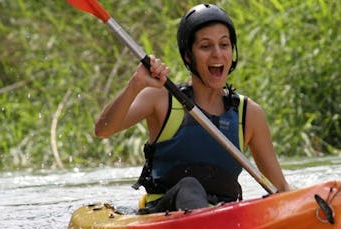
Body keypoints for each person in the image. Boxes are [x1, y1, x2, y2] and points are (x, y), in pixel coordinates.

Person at [94, 3, 290, 213]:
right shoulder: (161, 99)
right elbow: (103, 130)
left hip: (225, 216)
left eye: (224, 45)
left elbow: (280, 189)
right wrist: (136, 84)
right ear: (188, 55)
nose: (217, 54)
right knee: (190, 186)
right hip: (163, 214)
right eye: (206, 46)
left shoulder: (249, 113)